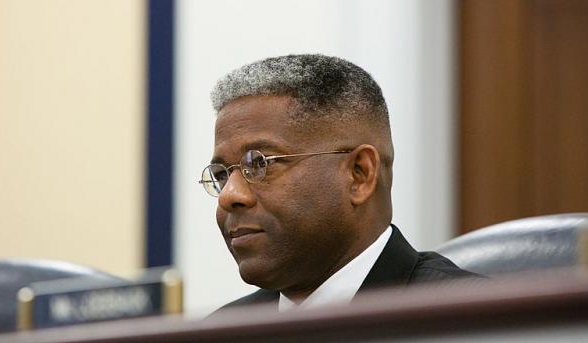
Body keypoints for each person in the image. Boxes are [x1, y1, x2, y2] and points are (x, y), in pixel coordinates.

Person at [200, 54, 480, 312]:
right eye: (223, 174)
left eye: (260, 163)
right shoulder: (220, 335)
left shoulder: (471, 322)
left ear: (360, 174)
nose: (229, 195)